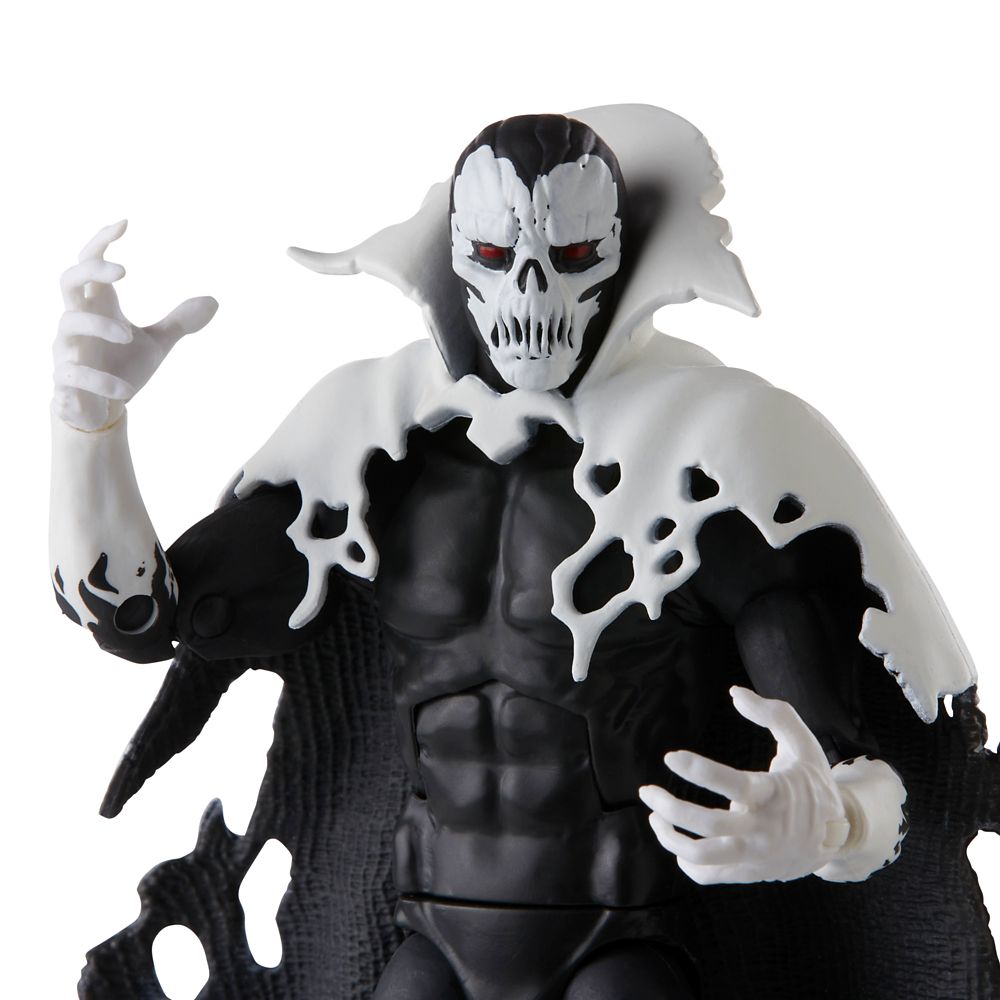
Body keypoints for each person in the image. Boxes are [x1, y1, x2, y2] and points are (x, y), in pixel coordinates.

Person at [50, 106, 994, 1000]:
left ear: (622, 256)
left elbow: (857, 761)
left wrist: (828, 822)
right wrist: (89, 431)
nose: (531, 294)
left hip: (623, 939)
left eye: (571, 256)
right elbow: (144, 618)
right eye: (499, 258)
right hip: (426, 936)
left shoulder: (709, 456)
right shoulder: (379, 439)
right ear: (453, 257)